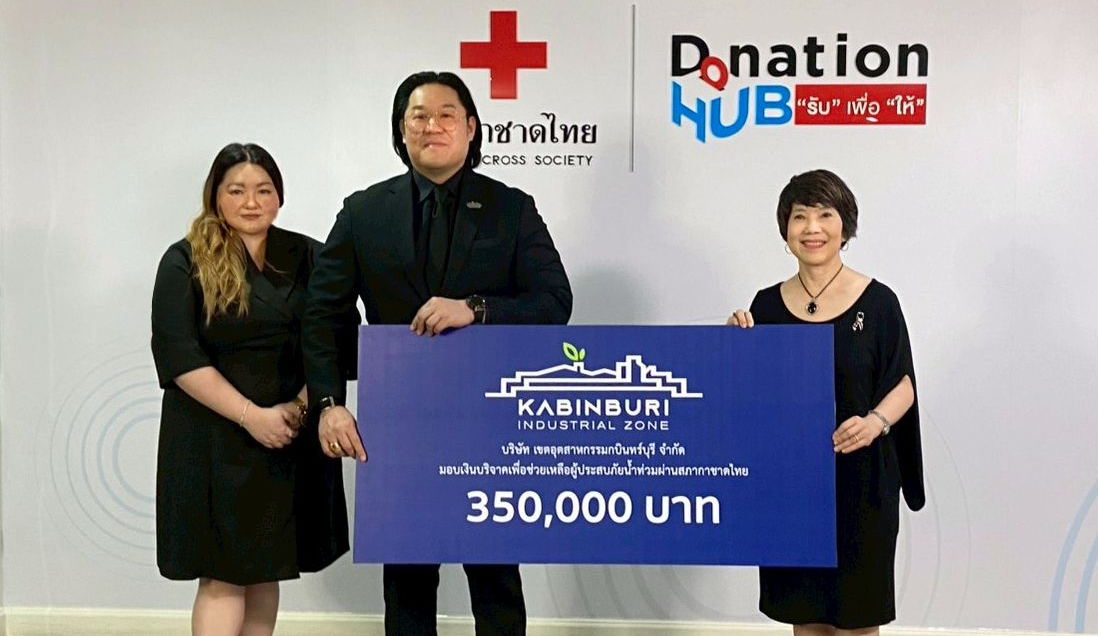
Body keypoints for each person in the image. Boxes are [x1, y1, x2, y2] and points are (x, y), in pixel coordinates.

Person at [303, 70, 572, 635]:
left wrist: (475, 307)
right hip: (398, 420)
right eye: (418, 116)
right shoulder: (362, 212)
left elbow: (554, 300)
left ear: (472, 128)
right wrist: (329, 401)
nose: (433, 126)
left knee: (496, 573)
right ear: (401, 132)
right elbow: (323, 315)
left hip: (493, 418)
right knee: (407, 577)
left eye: (447, 114)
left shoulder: (511, 208)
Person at [151, 143, 352, 636]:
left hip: (289, 431)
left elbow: (340, 335)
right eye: (236, 190)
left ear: (279, 196)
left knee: (267, 566)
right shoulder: (185, 260)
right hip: (213, 437)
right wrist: (252, 416)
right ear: (215, 197)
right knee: (223, 576)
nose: (251, 202)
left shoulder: (307, 254)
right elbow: (180, 356)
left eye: (263, 190)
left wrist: (298, 411)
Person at [727, 169, 924, 636]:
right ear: (785, 231)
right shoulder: (765, 305)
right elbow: (752, 395)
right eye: (800, 217)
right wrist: (733, 349)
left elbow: (904, 383)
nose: (812, 228)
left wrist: (875, 422)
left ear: (844, 225)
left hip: (862, 480)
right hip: (791, 485)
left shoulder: (877, 302)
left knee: (858, 617)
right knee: (807, 616)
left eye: (824, 214)